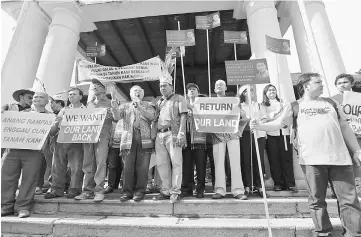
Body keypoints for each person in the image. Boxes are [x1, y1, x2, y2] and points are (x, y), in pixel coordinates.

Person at [250, 73, 361, 236]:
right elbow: (280, 123)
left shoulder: (332, 102)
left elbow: (344, 126)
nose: (322, 85)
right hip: (311, 160)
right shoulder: (295, 105)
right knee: (317, 200)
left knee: (349, 200)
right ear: (306, 86)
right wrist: (259, 126)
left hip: (340, 159)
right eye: (318, 82)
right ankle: (323, 231)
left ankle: (354, 233)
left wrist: (357, 150)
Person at [1, 91, 55, 218]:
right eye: (35, 97)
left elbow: (52, 133)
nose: (36, 98)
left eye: (41, 97)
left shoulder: (51, 116)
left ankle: (23, 207)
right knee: (7, 178)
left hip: (34, 151)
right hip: (14, 149)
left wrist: (56, 125)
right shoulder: (19, 113)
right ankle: (5, 206)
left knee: (29, 179)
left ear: (47, 101)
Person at [111, 85, 155, 202]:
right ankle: (127, 192)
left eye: (139, 91)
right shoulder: (125, 106)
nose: (137, 93)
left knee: (143, 167)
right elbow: (116, 117)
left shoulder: (149, 104)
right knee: (127, 167)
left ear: (143, 94)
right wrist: (114, 104)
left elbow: (151, 117)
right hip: (128, 138)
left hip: (144, 137)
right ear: (131, 95)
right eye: (135, 91)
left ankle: (140, 191)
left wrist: (140, 107)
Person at [75, 79, 114, 202]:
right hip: (89, 136)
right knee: (87, 163)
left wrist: (113, 110)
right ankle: (87, 190)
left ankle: (99, 190)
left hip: (102, 135)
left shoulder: (110, 103)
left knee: (101, 162)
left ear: (104, 89)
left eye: (98, 85)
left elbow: (116, 118)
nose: (95, 87)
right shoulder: (89, 104)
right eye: (94, 85)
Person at [44, 87, 85, 199]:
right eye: (70, 95)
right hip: (62, 140)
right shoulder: (63, 110)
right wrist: (55, 124)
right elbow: (54, 130)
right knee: (57, 166)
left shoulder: (86, 110)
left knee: (76, 167)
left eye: (74, 94)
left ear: (81, 96)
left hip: (78, 141)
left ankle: (75, 189)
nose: (71, 96)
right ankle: (56, 190)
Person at [153, 73, 187, 203]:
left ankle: (175, 191)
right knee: (161, 164)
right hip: (159, 135)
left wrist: (181, 133)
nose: (162, 88)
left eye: (165, 86)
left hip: (173, 134)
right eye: (161, 86)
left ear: (171, 87)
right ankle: (166, 190)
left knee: (176, 163)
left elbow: (183, 116)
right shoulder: (159, 101)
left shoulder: (179, 98)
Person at [211, 80, 247, 200]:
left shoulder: (234, 101)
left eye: (221, 84)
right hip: (217, 135)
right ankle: (220, 190)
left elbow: (243, 117)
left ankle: (238, 191)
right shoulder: (209, 103)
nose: (218, 85)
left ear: (226, 87)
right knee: (218, 163)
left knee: (235, 162)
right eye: (216, 85)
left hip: (232, 133)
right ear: (214, 89)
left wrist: (245, 118)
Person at [261, 84, 296, 192]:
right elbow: (266, 119)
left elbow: (289, 115)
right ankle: (278, 183)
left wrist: (284, 111)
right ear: (266, 93)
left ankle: (290, 183)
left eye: (273, 90)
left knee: (287, 159)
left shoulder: (283, 103)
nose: (272, 92)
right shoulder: (263, 105)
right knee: (274, 159)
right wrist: (277, 112)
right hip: (271, 134)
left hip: (284, 133)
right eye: (269, 90)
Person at [332, 73, 361, 196]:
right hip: (341, 137)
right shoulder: (332, 100)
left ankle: (358, 186)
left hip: (358, 134)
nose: (342, 85)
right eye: (339, 83)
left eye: (345, 82)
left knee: (358, 161)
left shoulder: (359, 97)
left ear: (352, 83)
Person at [238, 85, 269, 198]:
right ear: (243, 93)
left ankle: (259, 186)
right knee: (246, 160)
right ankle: (247, 186)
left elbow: (265, 118)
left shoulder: (259, 105)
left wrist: (258, 124)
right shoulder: (239, 106)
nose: (251, 92)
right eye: (248, 90)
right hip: (244, 135)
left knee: (258, 160)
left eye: (252, 90)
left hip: (258, 134)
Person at [181, 83, 207, 198]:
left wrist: (192, 107)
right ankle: (187, 188)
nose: (191, 91)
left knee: (200, 165)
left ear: (198, 92)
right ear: (187, 93)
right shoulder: (183, 104)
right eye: (189, 89)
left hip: (200, 138)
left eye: (194, 89)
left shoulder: (203, 103)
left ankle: (200, 189)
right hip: (186, 138)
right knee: (187, 165)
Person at [1, 88, 34, 157]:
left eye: (33, 98)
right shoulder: (8, 106)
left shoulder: (34, 111)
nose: (32, 100)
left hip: (23, 144)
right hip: (5, 140)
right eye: (29, 97)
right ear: (21, 97)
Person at [104, 119, 124, 194]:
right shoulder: (112, 119)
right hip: (113, 146)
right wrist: (110, 140)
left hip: (124, 145)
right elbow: (111, 130)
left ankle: (124, 186)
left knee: (124, 167)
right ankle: (111, 186)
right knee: (112, 166)